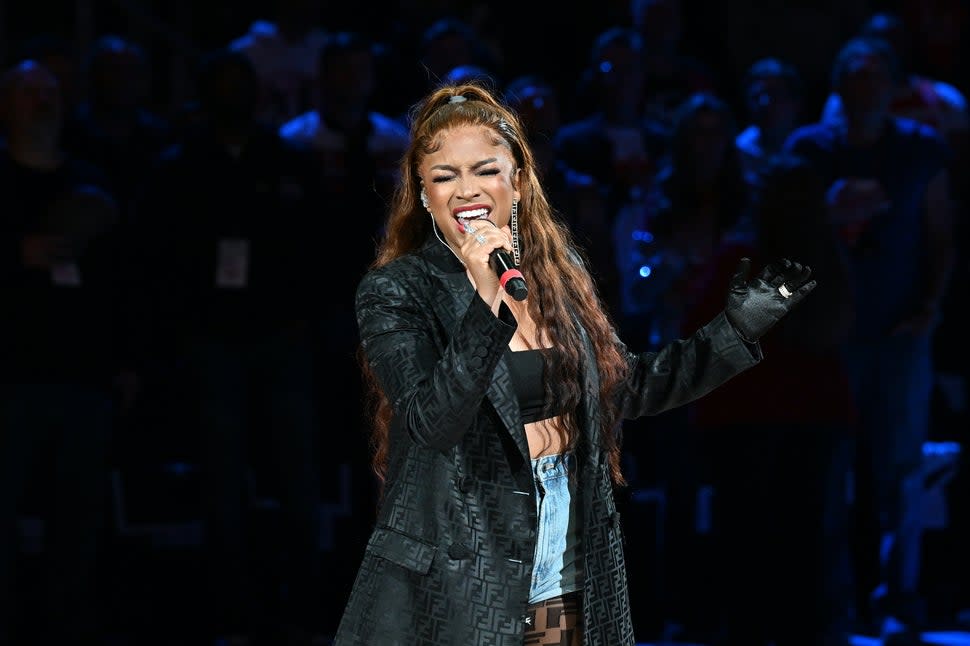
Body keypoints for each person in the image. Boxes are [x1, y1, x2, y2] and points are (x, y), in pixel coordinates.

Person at [332, 81, 817, 646]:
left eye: (485, 170)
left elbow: (625, 389)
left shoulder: (557, 281)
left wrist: (733, 331)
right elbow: (432, 422)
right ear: (422, 193)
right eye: (445, 176)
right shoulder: (397, 291)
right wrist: (489, 304)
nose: (467, 190)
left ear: (517, 179)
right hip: (459, 567)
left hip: (565, 544)